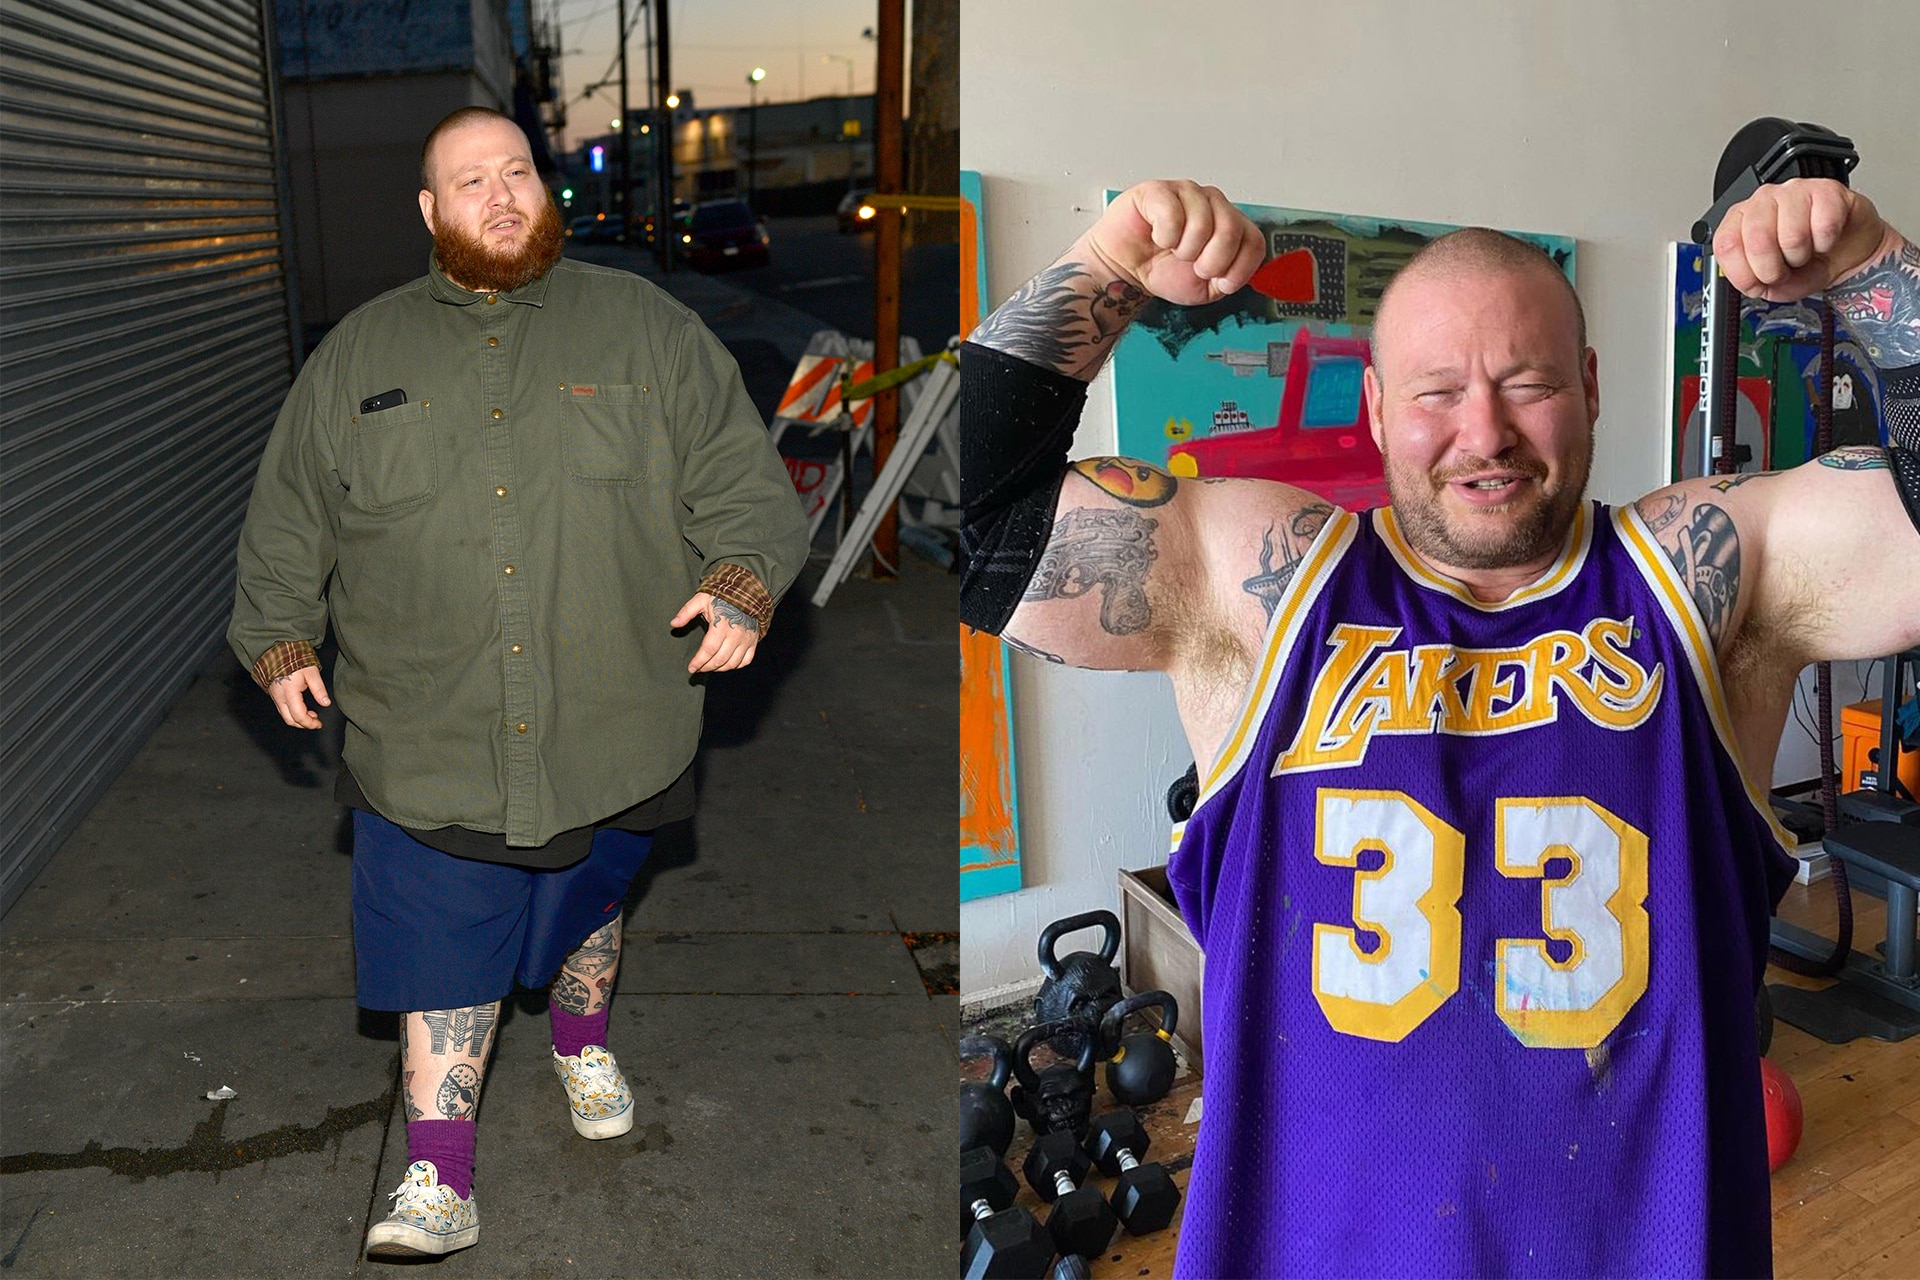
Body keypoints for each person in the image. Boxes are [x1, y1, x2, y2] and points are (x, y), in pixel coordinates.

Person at [960, 176, 1920, 1276]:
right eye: (1436, 391)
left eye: (1528, 381)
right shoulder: (1262, 581)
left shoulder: (1708, 575)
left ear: (1592, 389)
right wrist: (1108, 264)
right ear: (1372, 408)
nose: (1486, 432)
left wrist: (1875, 267)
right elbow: (981, 526)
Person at [228, 107, 808, 1259]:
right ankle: (439, 1177)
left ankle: (580, 1036)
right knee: (443, 948)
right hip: (425, 731)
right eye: (469, 182)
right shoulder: (358, 356)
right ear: (431, 212)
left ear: (545, 191)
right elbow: (289, 522)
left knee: (590, 905)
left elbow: (744, 485)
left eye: (518, 174)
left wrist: (742, 583)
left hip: (618, 718)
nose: (501, 196)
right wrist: (281, 639)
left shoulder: (646, 327)